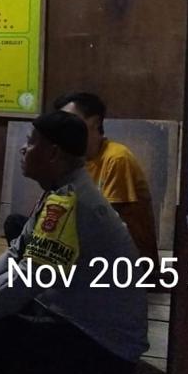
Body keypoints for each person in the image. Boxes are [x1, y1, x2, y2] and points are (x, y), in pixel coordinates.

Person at [0, 110, 147, 374]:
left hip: (104, 350)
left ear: (53, 153)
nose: (23, 149)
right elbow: (18, 249)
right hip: (65, 308)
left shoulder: (70, 202)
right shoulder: (62, 189)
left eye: (31, 142)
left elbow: (28, 279)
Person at [54, 91, 159, 261]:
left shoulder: (116, 158)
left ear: (95, 123)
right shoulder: (75, 162)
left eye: (72, 122)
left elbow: (105, 226)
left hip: (124, 260)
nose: (65, 131)